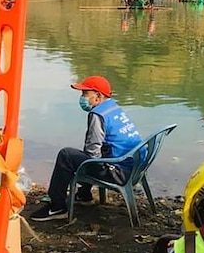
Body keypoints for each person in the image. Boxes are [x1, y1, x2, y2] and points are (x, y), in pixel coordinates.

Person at [29, 76, 142, 221]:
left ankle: (57, 207)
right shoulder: (113, 107)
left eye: (85, 94)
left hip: (119, 173)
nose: (82, 98)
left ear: (98, 96)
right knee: (85, 155)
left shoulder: (97, 114)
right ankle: (84, 194)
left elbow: (92, 153)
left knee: (66, 155)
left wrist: (79, 165)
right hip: (134, 167)